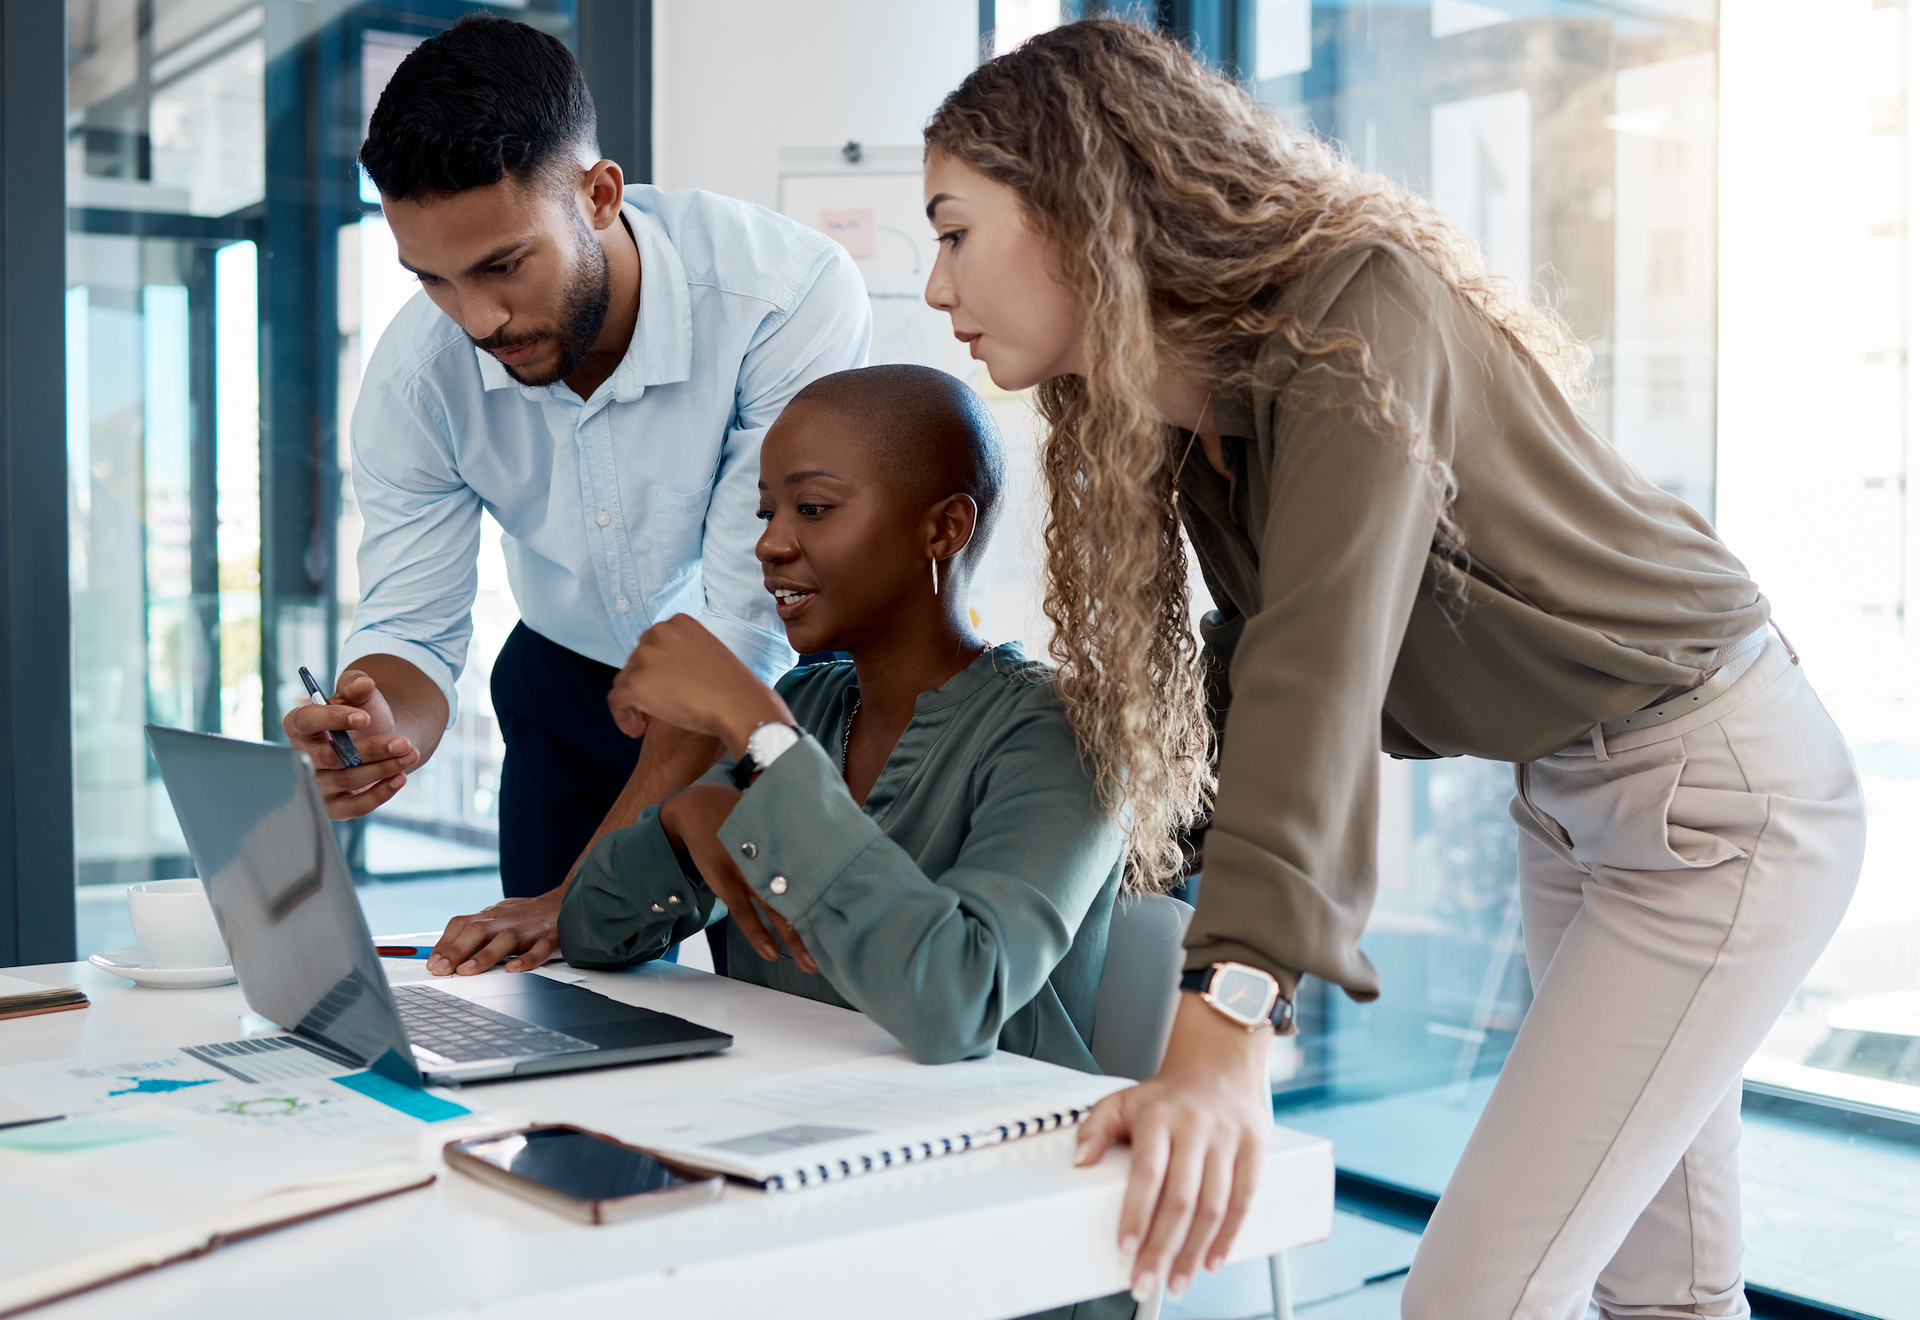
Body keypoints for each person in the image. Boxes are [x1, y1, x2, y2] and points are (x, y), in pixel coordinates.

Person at [918, 20, 1866, 1319]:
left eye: (955, 229)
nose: (934, 284)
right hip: (1581, 800)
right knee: (1667, 1296)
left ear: (1081, 208)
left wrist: (1229, 1019)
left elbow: (1320, 671)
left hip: (1717, 798)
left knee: (1476, 1297)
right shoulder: (1211, 416)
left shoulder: (1356, 313)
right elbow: (1252, 673)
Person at [279, 13, 869, 971]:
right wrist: (380, 728)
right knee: (560, 1011)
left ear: (598, 195)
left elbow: (741, 630)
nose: (478, 319)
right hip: (565, 688)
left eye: (503, 265)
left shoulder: (781, 298)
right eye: (432, 279)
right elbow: (413, 629)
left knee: (772, 1021)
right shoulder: (416, 377)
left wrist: (578, 895)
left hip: (765, 699)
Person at [560, 364, 1125, 1081]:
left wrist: (755, 725)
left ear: (943, 529)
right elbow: (590, 933)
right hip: (785, 1132)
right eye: (768, 511)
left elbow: (958, 1001)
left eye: (814, 508)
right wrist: (676, 827)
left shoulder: (1060, 732)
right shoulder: (810, 706)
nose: (770, 544)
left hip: (989, 1158)